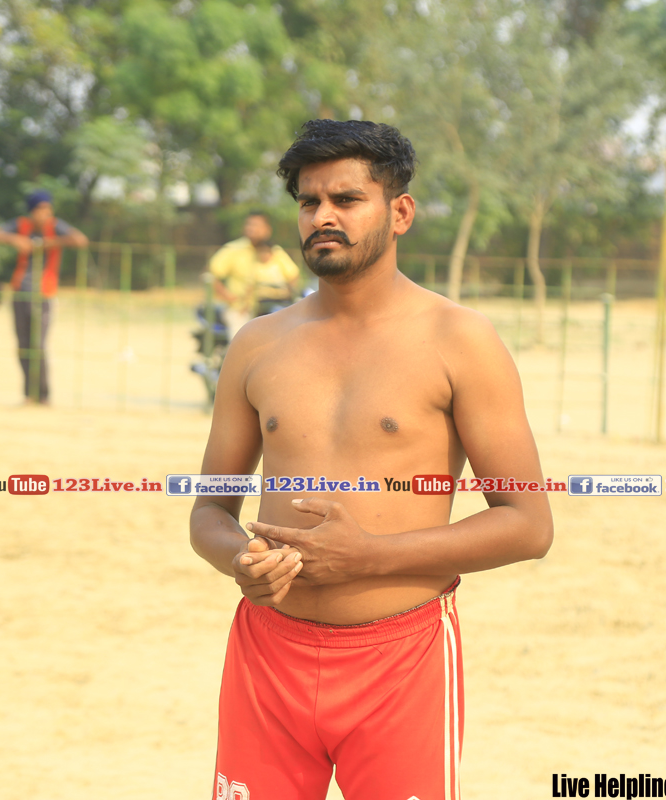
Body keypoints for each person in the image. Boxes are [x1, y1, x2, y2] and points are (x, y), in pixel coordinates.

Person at [189, 119, 553, 800]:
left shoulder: (460, 340)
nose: (322, 217)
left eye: (347, 200)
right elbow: (209, 509)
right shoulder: (257, 345)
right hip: (267, 653)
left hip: (402, 661)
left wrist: (369, 558)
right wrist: (240, 559)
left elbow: (528, 524)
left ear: (400, 212)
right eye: (308, 201)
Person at [0, 189, 88, 404]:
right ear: (31, 211)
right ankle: (28, 394)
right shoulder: (21, 225)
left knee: (38, 345)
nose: (44, 214)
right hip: (20, 291)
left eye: (47, 209)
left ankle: (43, 395)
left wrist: (49, 243)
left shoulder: (55, 227)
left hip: (44, 293)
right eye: (40, 209)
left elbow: (80, 240)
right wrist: (14, 239)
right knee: (23, 345)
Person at [208, 210, 302, 337]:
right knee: (241, 335)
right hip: (241, 309)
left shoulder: (274, 251)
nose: (251, 228)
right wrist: (228, 297)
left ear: (267, 230)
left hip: (271, 308)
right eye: (249, 224)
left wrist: (289, 293)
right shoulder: (233, 249)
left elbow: (293, 275)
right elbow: (211, 276)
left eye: (256, 225)